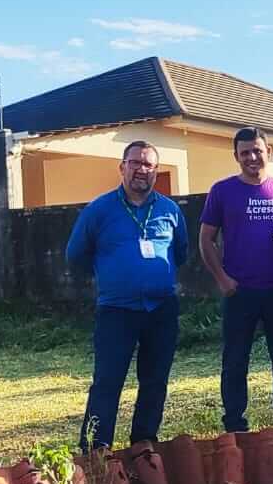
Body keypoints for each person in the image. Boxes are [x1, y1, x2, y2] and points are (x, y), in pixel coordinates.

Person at [66, 140, 189, 449]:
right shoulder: (99, 210)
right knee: (107, 382)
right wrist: (112, 276)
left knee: (155, 381)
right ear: (122, 167)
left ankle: (144, 445)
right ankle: (96, 450)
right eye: (135, 163)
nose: (141, 170)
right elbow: (76, 255)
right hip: (116, 310)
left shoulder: (170, 210)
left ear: (156, 171)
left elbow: (180, 253)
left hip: (161, 310)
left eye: (148, 164)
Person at [198, 127, 273, 434]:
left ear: (268, 152)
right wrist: (222, 279)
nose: (251, 157)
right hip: (240, 292)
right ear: (236, 156)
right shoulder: (222, 191)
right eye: (244, 152)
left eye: (257, 150)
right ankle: (235, 428)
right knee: (235, 362)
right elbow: (206, 239)